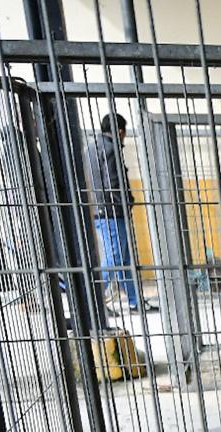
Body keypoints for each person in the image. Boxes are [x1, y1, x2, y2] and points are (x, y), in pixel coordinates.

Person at [83, 113, 154, 315]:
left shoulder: (90, 148)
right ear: (120, 131)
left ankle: (134, 301)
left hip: (99, 210)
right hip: (112, 211)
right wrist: (127, 203)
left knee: (122, 259)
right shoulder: (111, 150)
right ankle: (94, 303)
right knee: (114, 258)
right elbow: (114, 183)